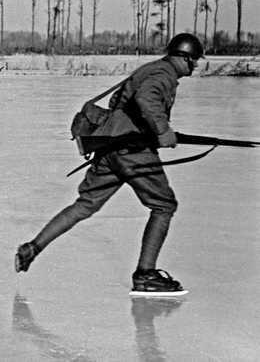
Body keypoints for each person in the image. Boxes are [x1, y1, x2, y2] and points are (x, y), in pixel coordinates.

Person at [15, 33, 205, 295]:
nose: (194, 67)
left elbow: (118, 103)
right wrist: (161, 131)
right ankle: (145, 275)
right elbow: (146, 99)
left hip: (110, 149)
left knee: (84, 205)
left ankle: (32, 248)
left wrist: (149, 130)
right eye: (193, 61)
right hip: (133, 151)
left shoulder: (150, 69)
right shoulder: (164, 74)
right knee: (164, 206)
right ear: (183, 57)